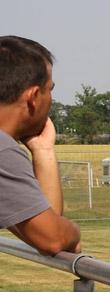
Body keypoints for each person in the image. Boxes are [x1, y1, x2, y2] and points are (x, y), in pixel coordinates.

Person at [0, 36, 81, 255]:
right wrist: (74, 234)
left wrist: (43, 150)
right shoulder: (3, 152)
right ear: (34, 96)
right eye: (49, 89)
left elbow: (40, 225)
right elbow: (52, 238)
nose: (51, 99)